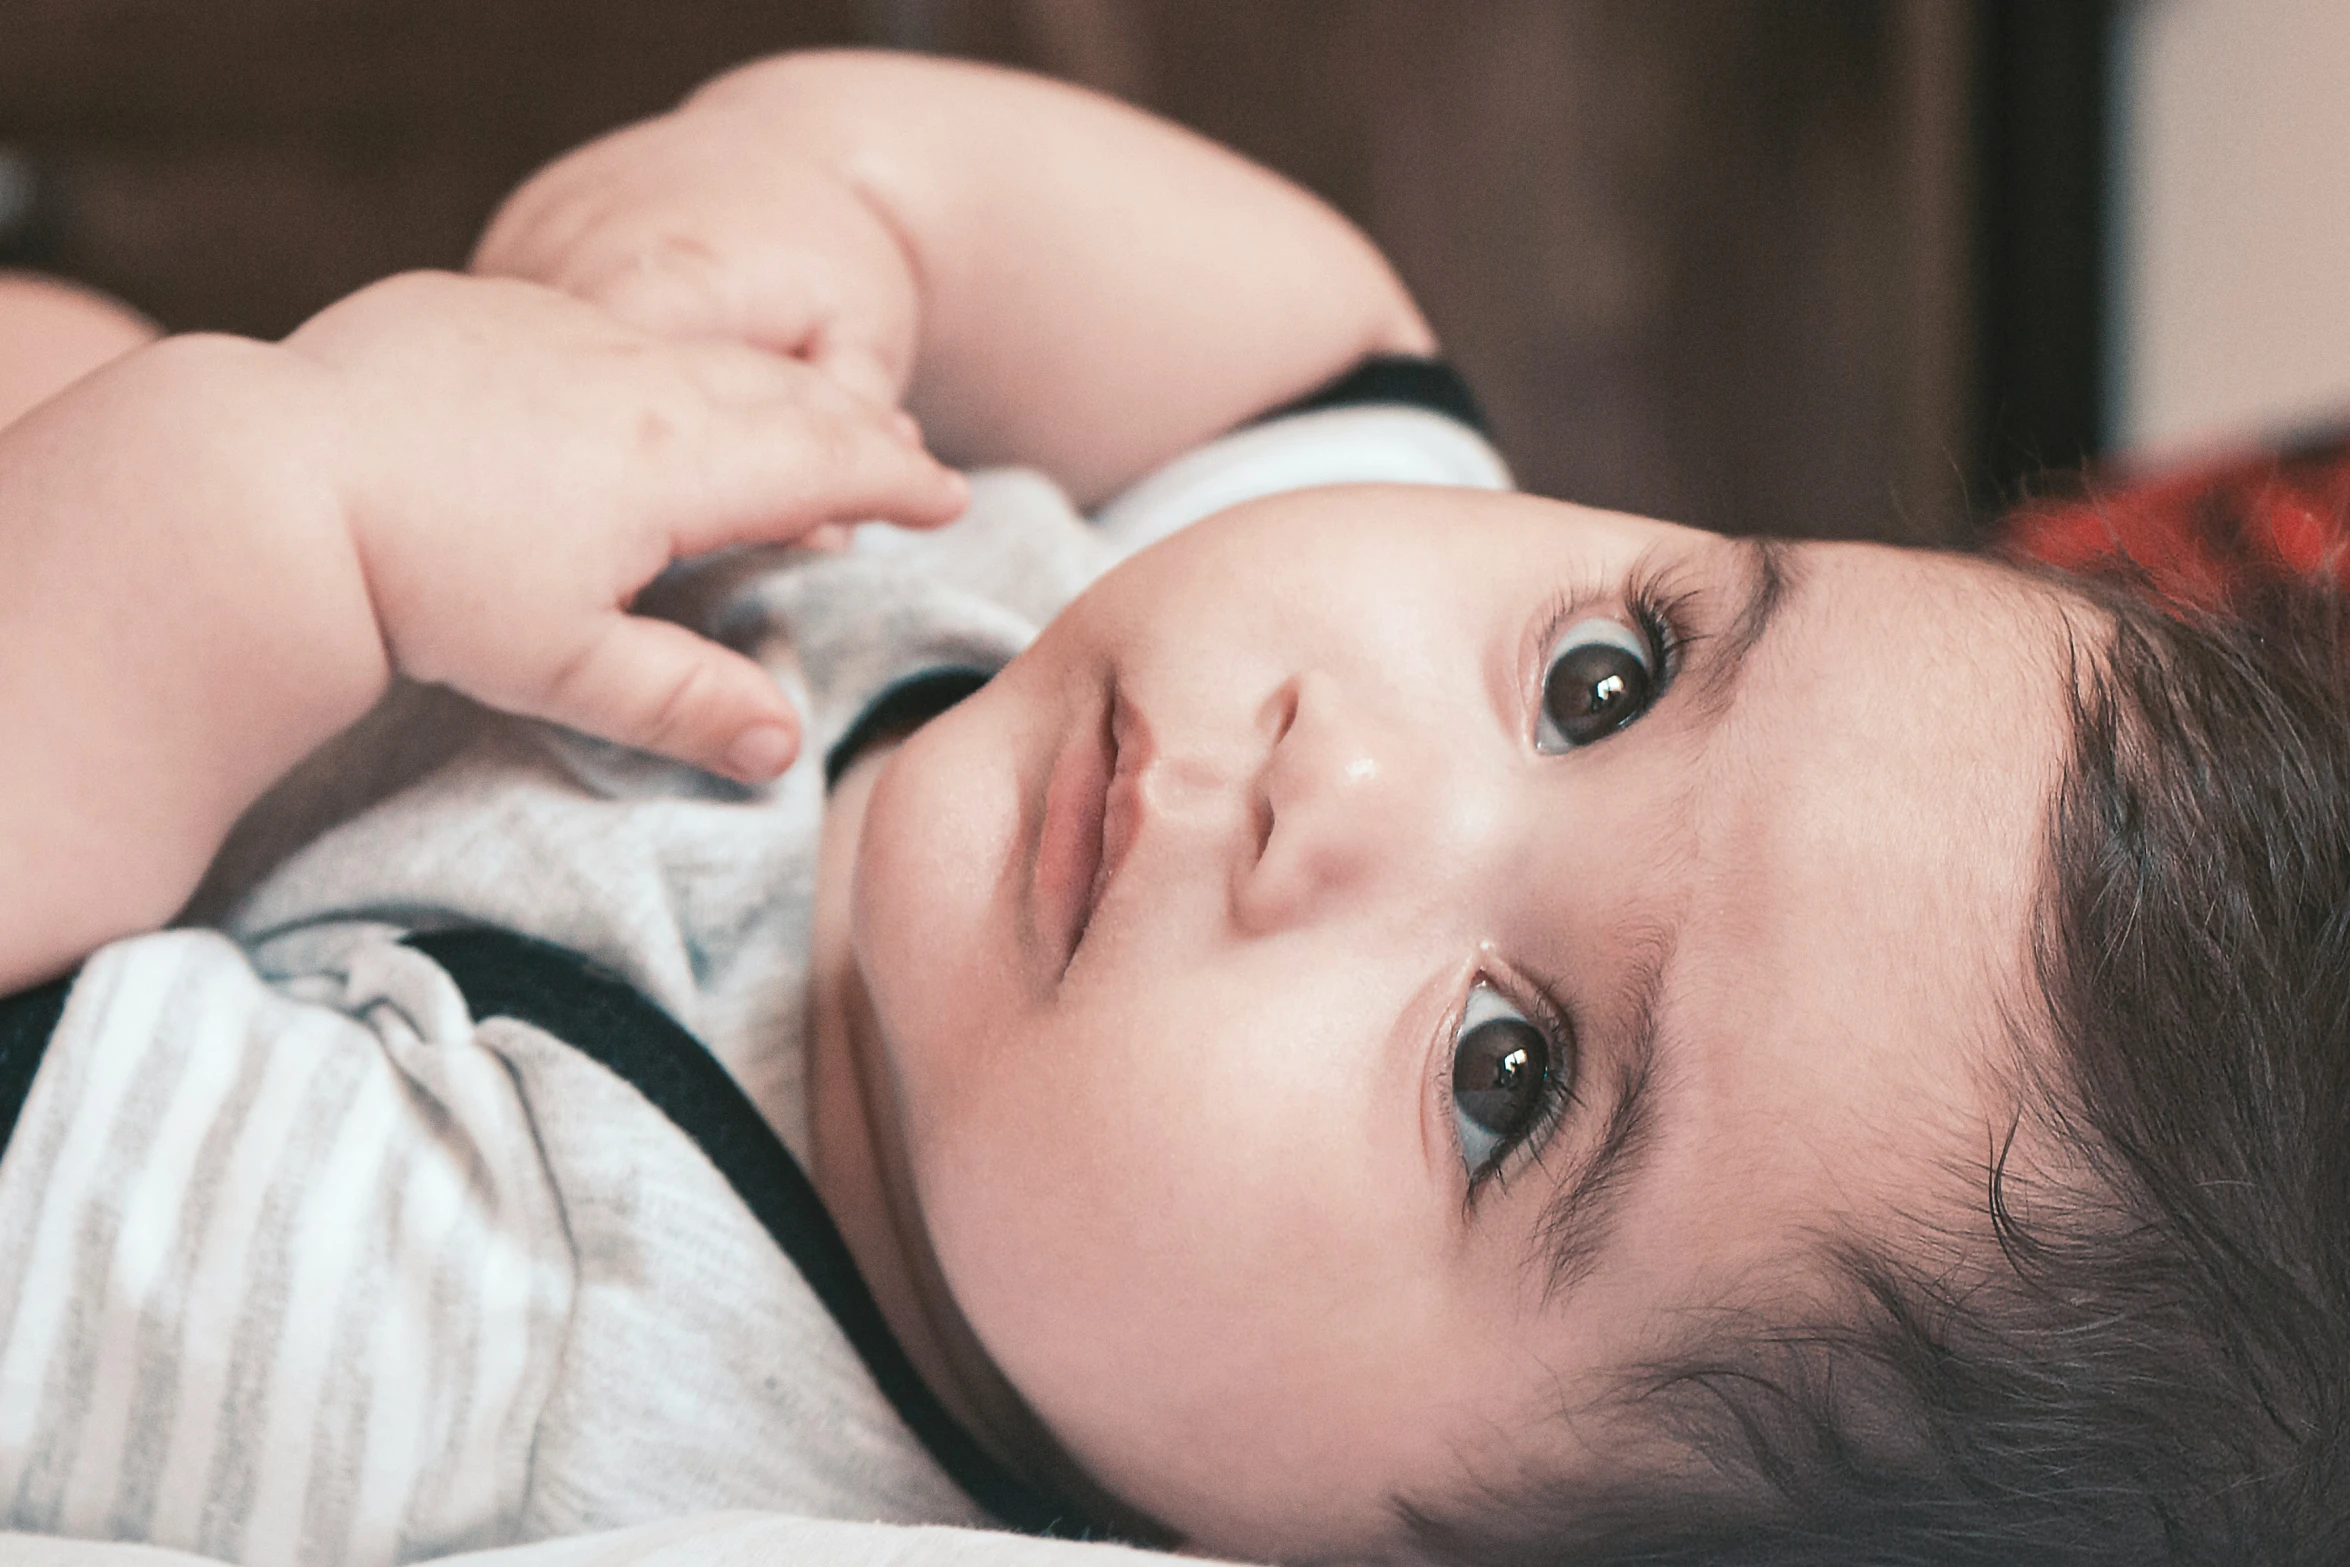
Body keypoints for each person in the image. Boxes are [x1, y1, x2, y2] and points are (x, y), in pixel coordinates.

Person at [0, 49, 2343, 1567]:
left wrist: (273, 511)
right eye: (1611, 672)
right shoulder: (1272, 643)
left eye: (1503, 1079)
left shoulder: (512, 1336)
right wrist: (819, 221)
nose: (1342, 782)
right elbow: (1306, 331)